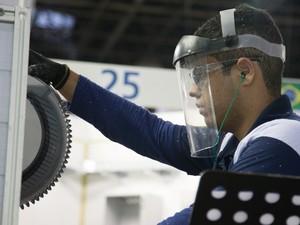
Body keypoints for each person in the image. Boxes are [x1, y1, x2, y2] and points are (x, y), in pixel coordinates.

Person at [28, 4, 300, 225]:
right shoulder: (237, 143)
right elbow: (151, 133)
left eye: (201, 75)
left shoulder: (279, 143)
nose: (194, 91)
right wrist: (63, 78)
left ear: (244, 72)